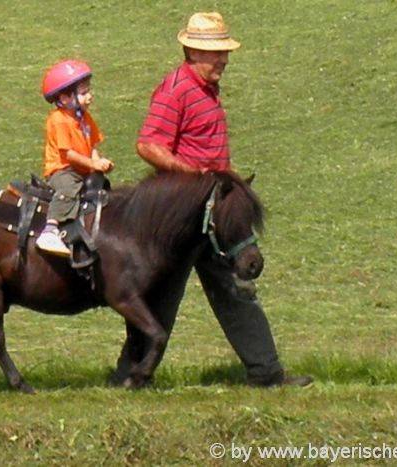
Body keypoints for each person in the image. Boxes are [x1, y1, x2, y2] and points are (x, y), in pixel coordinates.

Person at [121, 11, 311, 387]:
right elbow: (149, 145)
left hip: (212, 213)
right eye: (215, 52)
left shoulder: (206, 89)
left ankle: (266, 372)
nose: (224, 59)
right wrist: (192, 177)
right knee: (163, 297)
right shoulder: (176, 89)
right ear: (191, 51)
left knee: (237, 287)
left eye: (224, 52)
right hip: (183, 217)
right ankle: (130, 376)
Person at [36, 59, 114, 256]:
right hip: (63, 169)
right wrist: (93, 163)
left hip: (83, 168)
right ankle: (51, 228)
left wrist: (99, 165)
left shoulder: (85, 118)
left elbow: (92, 145)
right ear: (64, 98)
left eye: (89, 91)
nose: (90, 97)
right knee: (68, 188)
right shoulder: (59, 120)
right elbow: (68, 155)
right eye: (83, 93)